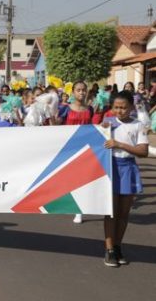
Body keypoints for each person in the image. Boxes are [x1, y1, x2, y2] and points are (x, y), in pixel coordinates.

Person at [102, 91, 149, 267]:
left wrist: (120, 144)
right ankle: (109, 250)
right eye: (116, 107)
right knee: (111, 212)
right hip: (110, 167)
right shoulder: (107, 123)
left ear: (131, 107)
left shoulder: (138, 125)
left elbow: (143, 152)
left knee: (123, 213)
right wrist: (103, 129)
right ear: (111, 108)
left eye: (123, 107)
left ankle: (118, 246)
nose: (119, 111)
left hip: (128, 168)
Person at [58, 81, 92, 224]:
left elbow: (94, 127)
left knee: (81, 181)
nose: (81, 93)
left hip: (84, 148)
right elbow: (57, 125)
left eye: (84, 90)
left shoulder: (90, 109)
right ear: (73, 92)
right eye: (78, 90)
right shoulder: (65, 108)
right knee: (68, 179)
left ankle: (79, 210)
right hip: (68, 147)